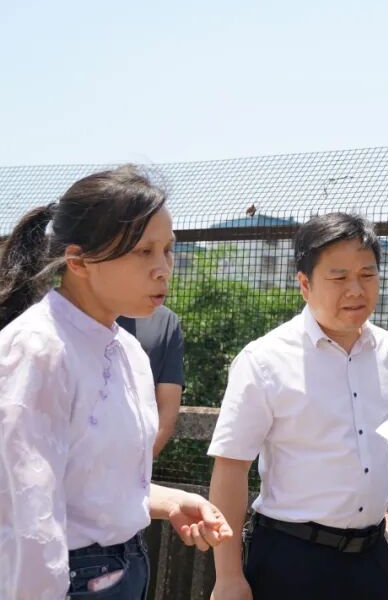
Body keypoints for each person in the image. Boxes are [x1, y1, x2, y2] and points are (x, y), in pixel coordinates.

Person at [0, 165, 233, 599]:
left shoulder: (127, 349)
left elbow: (90, 485)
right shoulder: (37, 348)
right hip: (66, 579)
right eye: (143, 251)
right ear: (78, 261)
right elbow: (25, 512)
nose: (163, 269)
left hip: (124, 567)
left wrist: (167, 501)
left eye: (168, 250)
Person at [208, 212, 388, 600]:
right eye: (339, 277)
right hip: (291, 557)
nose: (356, 289)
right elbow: (231, 466)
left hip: (371, 558)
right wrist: (228, 575)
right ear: (305, 284)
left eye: (367, 275)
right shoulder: (264, 359)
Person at [118, 305, 185, 457]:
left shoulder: (165, 321)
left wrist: (136, 464)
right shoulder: (71, 311)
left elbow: (166, 411)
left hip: (130, 457)